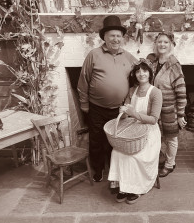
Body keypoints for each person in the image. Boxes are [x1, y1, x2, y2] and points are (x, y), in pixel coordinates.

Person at [77, 15, 137, 182]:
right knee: (96, 140)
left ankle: (114, 170)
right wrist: (84, 104)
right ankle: (98, 169)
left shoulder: (129, 57)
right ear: (104, 37)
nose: (115, 39)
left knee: (116, 141)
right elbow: (83, 80)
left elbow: (139, 77)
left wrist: (129, 101)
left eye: (119, 36)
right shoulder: (93, 55)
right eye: (112, 35)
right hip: (96, 108)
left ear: (122, 38)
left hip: (119, 110)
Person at [108, 58, 162, 204]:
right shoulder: (132, 90)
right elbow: (126, 113)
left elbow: (153, 119)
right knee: (117, 151)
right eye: (138, 71)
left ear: (150, 73)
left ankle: (135, 188)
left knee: (134, 155)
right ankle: (123, 186)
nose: (141, 73)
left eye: (144, 70)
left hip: (149, 133)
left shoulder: (156, 93)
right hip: (133, 129)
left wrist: (133, 113)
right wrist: (124, 111)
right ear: (135, 75)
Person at [147, 32, 187, 178]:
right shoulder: (152, 61)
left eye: (165, 42)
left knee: (171, 137)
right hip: (154, 108)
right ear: (156, 44)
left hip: (170, 109)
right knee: (155, 136)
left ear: (171, 45)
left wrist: (181, 113)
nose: (162, 45)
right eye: (159, 42)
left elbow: (181, 91)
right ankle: (162, 158)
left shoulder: (174, 65)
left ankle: (170, 164)